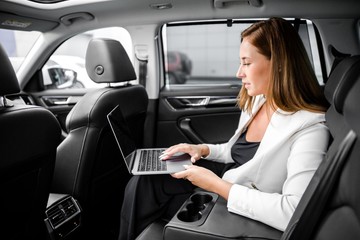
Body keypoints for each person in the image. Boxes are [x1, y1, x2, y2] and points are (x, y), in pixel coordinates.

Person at [118, 17, 330, 240]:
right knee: (146, 179)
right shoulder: (260, 100)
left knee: (152, 192)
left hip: (242, 199)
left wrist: (215, 184)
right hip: (229, 178)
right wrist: (200, 149)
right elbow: (234, 151)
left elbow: (294, 211)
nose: (239, 73)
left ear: (278, 63)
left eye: (247, 63)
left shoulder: (310, 127)